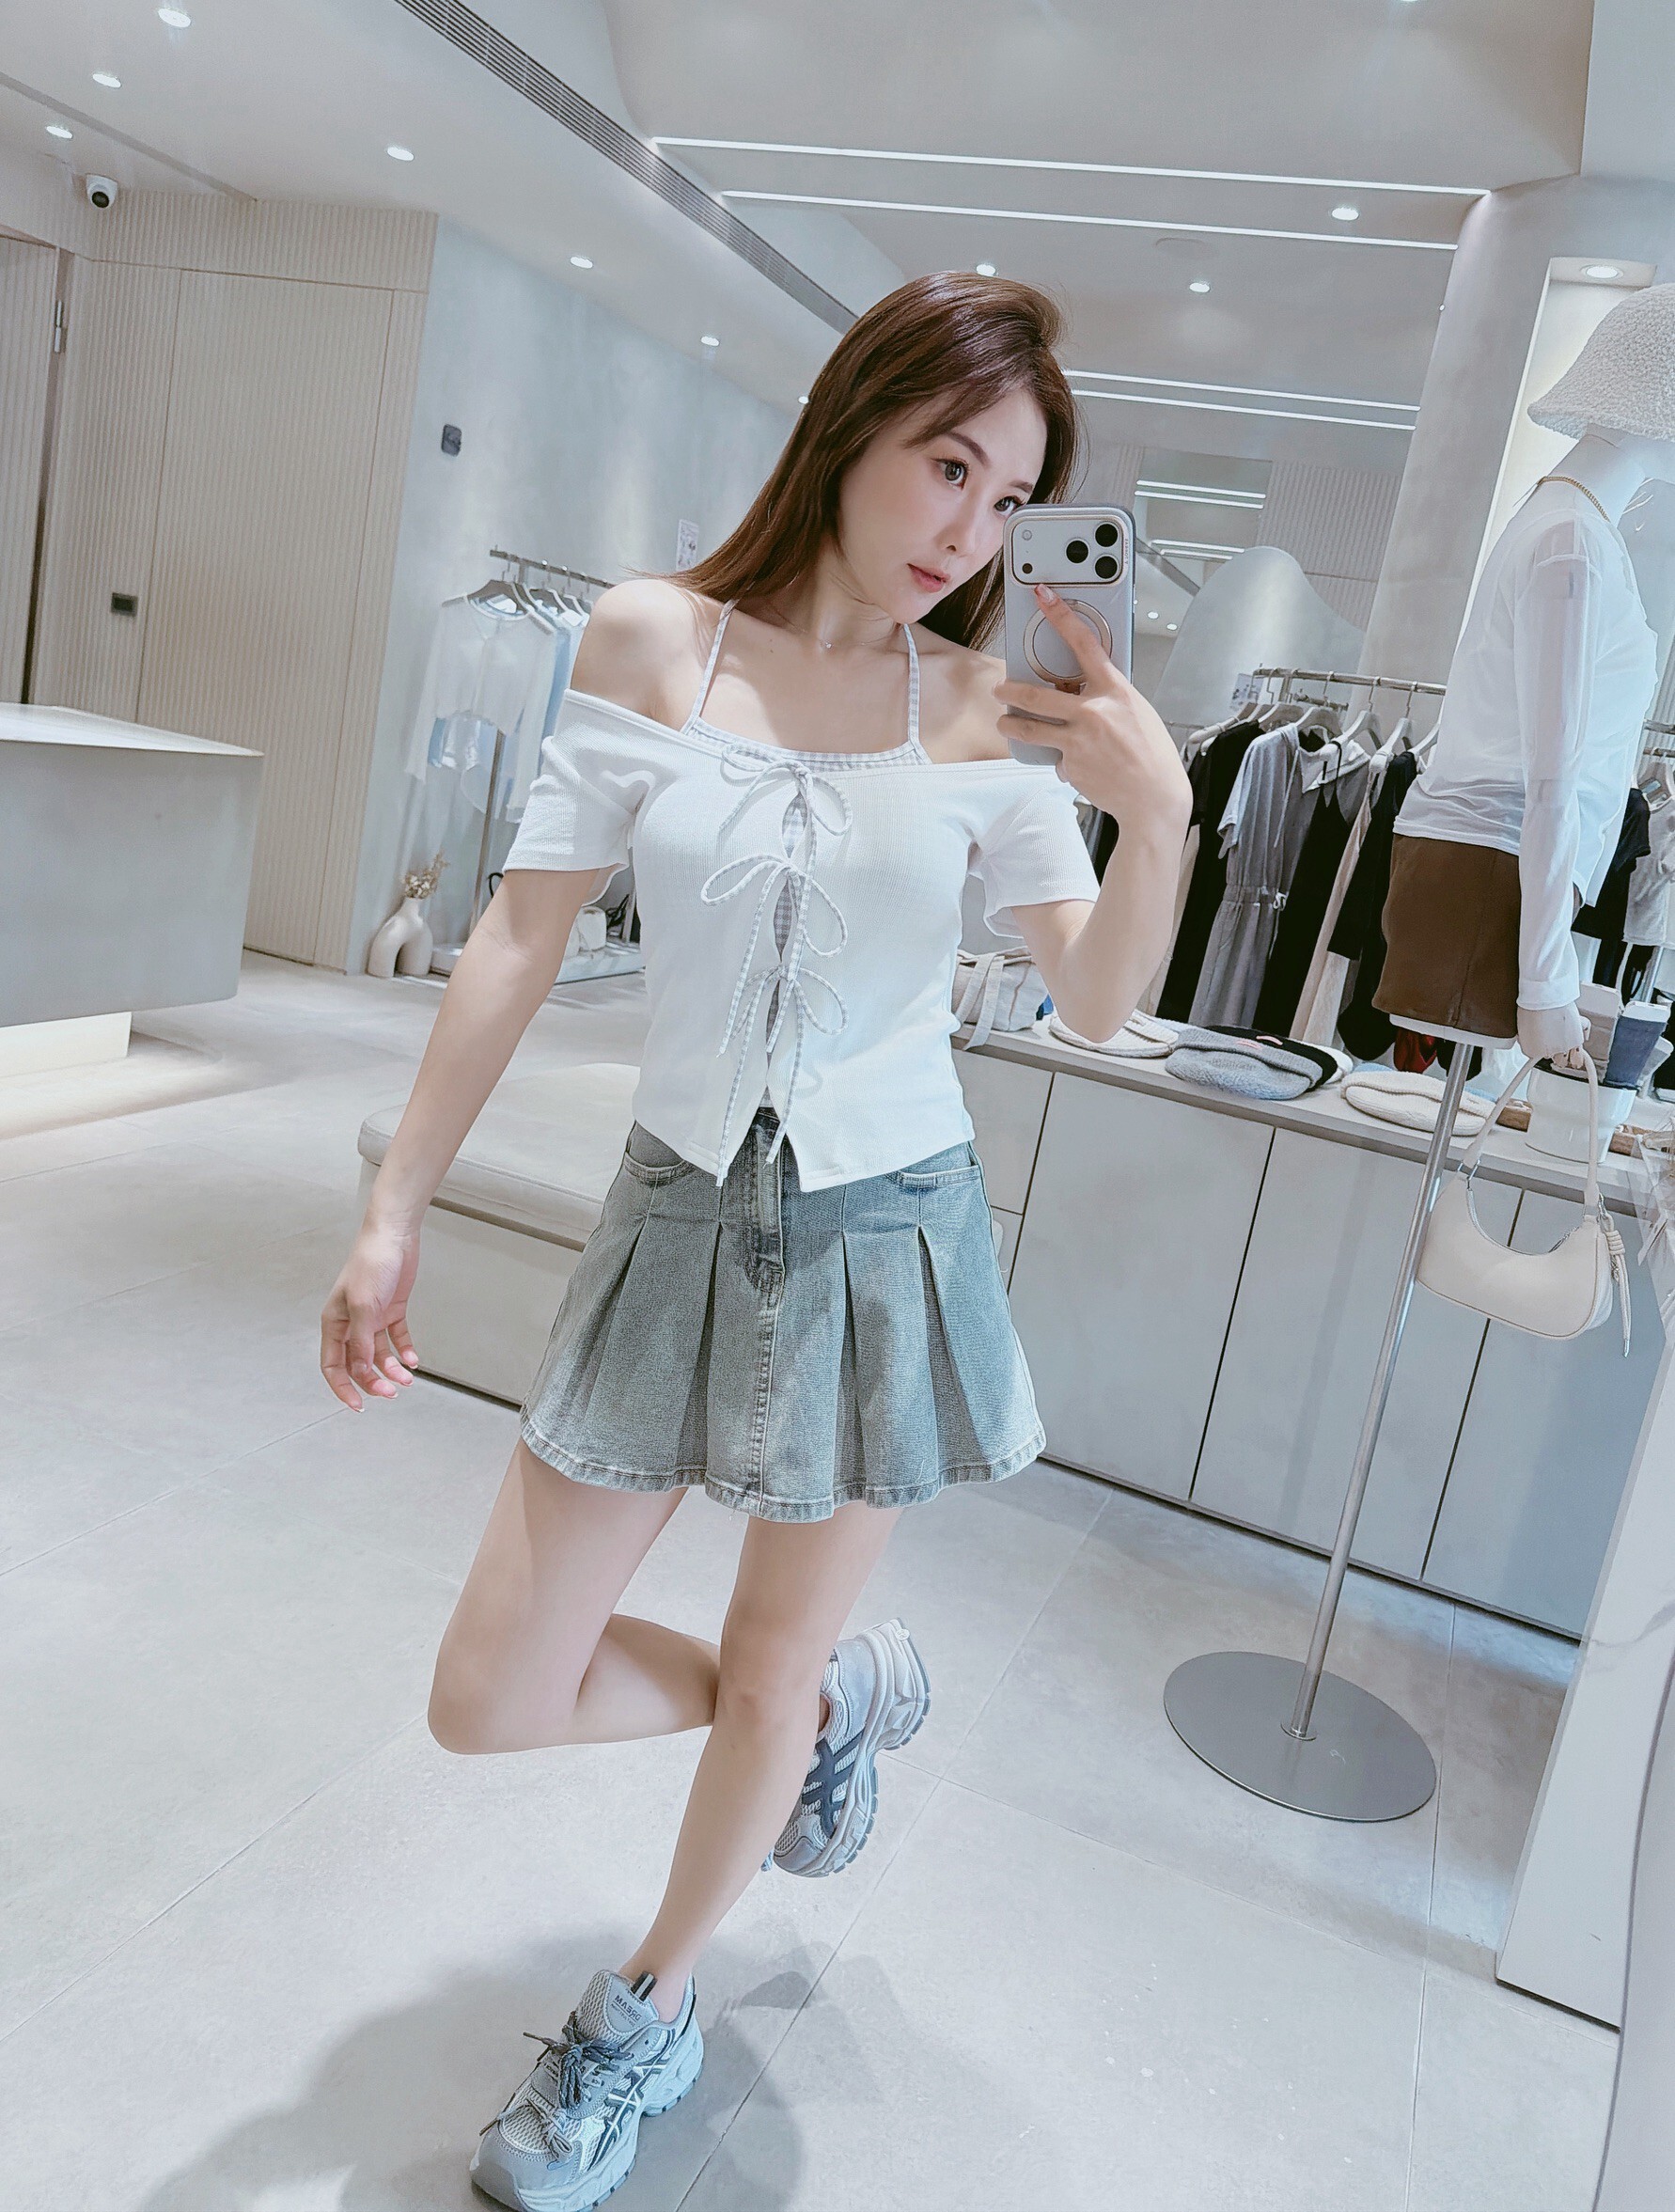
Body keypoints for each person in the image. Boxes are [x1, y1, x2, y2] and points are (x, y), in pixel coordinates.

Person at [319, 271, 1190, 2212]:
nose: (967, 529)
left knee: (774, 1654)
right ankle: (827, 1705)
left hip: (884, 1232)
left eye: (1007, 495)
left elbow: (1102, 1001)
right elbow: (520, 936)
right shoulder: (653, 640)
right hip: (674, 1210)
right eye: (945, 465)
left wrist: (1164, 821)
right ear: (852, 422)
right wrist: (394, 1207)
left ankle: (647, 2008)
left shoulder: (987, 710)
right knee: (491, 1686)